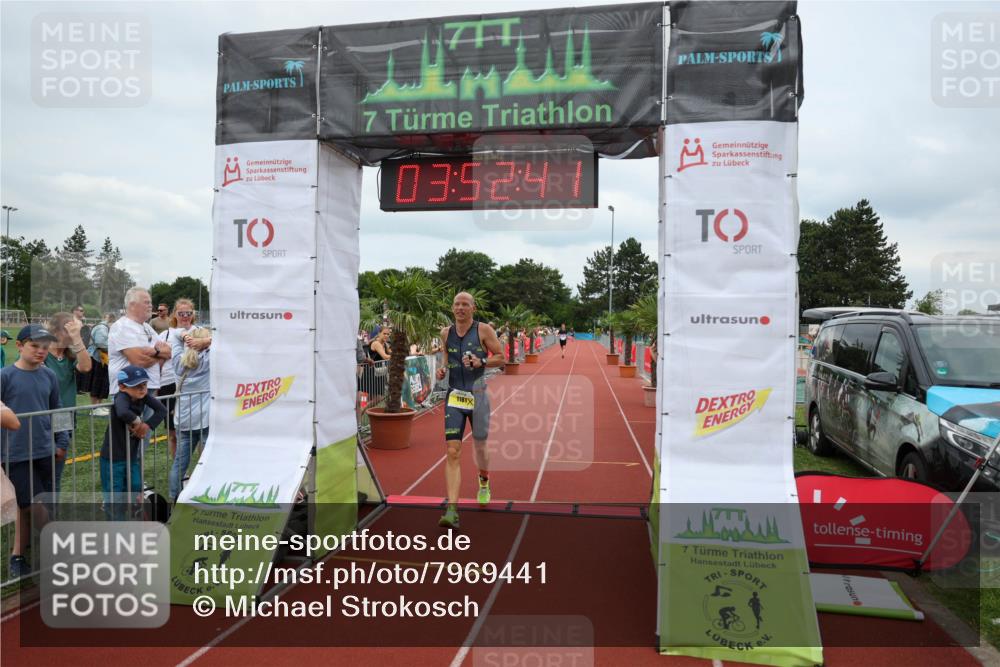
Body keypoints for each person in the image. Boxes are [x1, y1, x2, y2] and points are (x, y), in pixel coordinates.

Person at [0, 325, 68, 579]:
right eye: (34, 346)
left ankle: (18, 556)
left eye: (45, 347)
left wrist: (62, 441)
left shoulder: (49, 376)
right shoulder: (5, 376)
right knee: (32, 504)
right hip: (14, 453)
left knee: (26, 506)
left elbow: (57, 409)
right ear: (19, 346)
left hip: (45, 451)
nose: (41, 351)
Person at [434, 292, 503, 529]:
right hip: (454, 396)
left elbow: (503, 358)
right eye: (457, 304)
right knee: (453, 451)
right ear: (452, 308)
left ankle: (484, 481)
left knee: (480, 446)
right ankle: (452, 509)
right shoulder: (446, 333)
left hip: (479, 396)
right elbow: (446, 356)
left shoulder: (484, 330)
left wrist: (481, 362)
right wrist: (442, 370)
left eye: (465, 304)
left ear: (473, 308)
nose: (460, 308)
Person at [99, 365, 167, 520]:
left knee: (136, 485)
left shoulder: (144, 396)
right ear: (122, 387)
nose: (142, 389)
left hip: (131, 456)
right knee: (115, 496)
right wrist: (138, 422)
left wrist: (147, 425)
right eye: (136, 386)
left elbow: (162, 410)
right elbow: (122, 412)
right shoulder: (121, 397)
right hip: (112, 458)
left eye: (144, 384)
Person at [168, 306, 211, 502]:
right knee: (207, 462)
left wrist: (185, 336)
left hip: (184, 417)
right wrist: (207, 341)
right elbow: (226, 342)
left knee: (179, 463)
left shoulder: (178, 359)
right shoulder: (210, 357)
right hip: (205, 417)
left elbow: (175, 335)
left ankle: (174, 499)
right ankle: (204, 497)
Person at [45, 311, 93, 490]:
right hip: (41, 418)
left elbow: (86, 366)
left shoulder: (69, 357)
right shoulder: (40, 352)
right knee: (37, 474)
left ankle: (49, 515)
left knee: (55, 476)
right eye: (70, 330)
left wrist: (76, 340)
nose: (74, 334)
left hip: (63, 420)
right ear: (56, 331)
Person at [88, 313, 114, 415]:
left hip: (102, 359)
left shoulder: (105, 328)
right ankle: (94, 408)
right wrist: (114, 348)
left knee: (102, 382)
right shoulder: (102, 328)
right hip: (97, 358)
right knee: (96, 382)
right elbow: (101, 343)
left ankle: (99, 405)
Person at [72, 305, 93, 395]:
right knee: (76, 368)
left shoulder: (80, 321)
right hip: (74, 348)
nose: (82, 312)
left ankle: (79, 388)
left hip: (81, 346)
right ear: (74, 311)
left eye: (83, 311)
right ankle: (76, 388)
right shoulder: (72, 321)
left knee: (80, 368)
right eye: (80, 310)